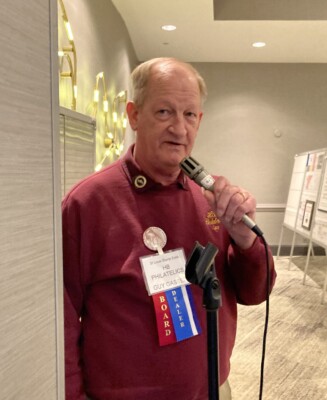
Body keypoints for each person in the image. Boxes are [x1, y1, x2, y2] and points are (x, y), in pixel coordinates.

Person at [63, 57, 276, 400]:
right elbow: (61, 317)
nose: (179, 129)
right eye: (164, 112)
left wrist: (245, 240)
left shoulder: (212, 199)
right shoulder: (88, 203)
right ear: (134, 115)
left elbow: (255, 293)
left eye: (189, 114)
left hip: (212, 389)